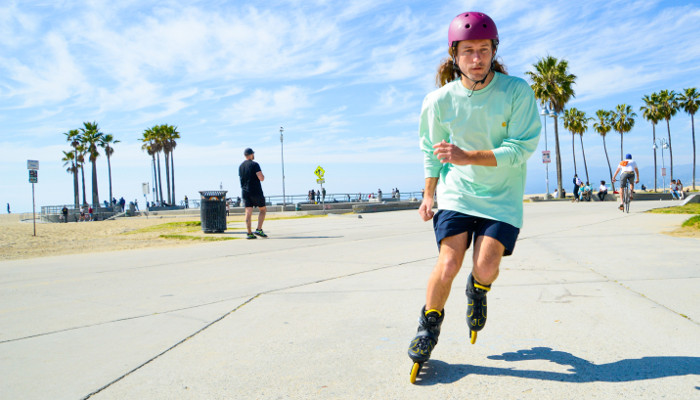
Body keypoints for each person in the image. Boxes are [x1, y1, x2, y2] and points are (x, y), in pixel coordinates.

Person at [407, 11, 541, 376]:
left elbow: (520, 148)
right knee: (448, 262)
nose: (477, 59)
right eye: (468, 51)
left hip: (502, 196)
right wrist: (429, 194)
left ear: (494, 50)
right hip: (457, 193)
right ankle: (428, 325)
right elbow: (430, 149)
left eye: (484, 50)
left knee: (485, 266)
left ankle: (478, 290)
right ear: (454, 55)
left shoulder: (516, 91)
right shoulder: (439, 101)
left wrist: (468, 156)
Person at [239, 148, 267, 239]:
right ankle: (259, 229)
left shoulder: (241, 166)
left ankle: (249, 233)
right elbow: (261, 178)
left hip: (245, 192)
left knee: (248, 212)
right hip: (256, 191)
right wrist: (263, 176)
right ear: (251, 154)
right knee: (262, 210)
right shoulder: (255, 164)